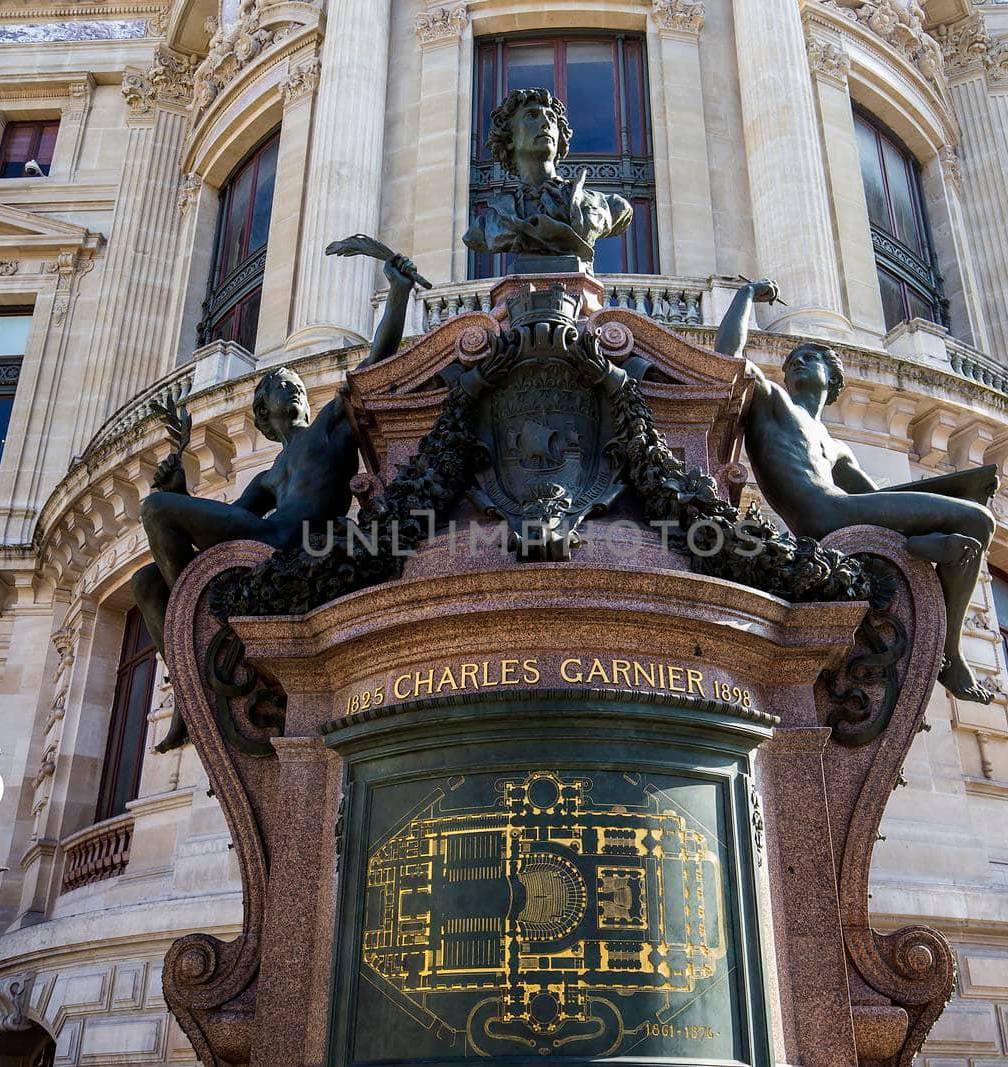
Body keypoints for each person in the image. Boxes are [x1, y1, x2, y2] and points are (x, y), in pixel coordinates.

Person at [131, 254, 424, 746]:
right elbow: (223, 528)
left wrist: (397, 292)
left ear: (303, 400)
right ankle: (190, 674)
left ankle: (200, 628)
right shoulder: (268, 477)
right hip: (267, 536)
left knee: (155, 509)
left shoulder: (330, 427)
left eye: (289, 384)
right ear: (264, 417)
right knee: (145, 580)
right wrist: (179, 487)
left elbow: (375, 364)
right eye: (272, 388)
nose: (283, 386)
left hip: (298, 539)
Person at [716, 279, 998, 704]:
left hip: (840, 510)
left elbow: (880, 502)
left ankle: (918, 553)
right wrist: (746, 295)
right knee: (976, 520)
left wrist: (961, 488)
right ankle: (949, 651)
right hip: (821, 514)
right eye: (792, 359)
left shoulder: (837, 447)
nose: (798, 363)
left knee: (972, 522)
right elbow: (725, 360)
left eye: (810, 358)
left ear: (832, 379)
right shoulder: (772, 401)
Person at [463, 87, 632, 270]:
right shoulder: (489, 224)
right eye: (531, 116)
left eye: (552, 118)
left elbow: (621, 210)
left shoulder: (606, 205)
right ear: (510, 138)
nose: (545, 123)